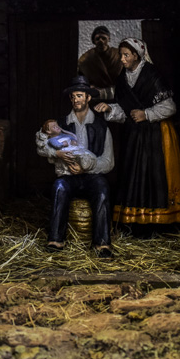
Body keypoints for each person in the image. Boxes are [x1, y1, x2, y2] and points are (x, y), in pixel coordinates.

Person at [94, 37, 180, 227]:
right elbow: (125, 112)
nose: (122, 59)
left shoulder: (152, 75)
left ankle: (160, 222)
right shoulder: (122, 79)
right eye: (121, 55)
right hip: (134, 137)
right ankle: (135, 223)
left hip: (157, 136)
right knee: (133, 175)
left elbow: (170, 107)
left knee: (156, 174)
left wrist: (146, 114)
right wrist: (109, 109)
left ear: (137, 56)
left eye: (126, 55)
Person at [36, 76, 114, 258]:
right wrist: (57, 154)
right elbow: (44, 145)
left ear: (88, 98)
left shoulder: (101, 127)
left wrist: (86, 169)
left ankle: (102, 243)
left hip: (91, 175)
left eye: (79, 96)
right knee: (59, 187)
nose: (75, 100)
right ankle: (56, 240)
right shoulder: (60, 125)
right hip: (69, 175)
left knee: (102, 188)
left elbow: (108, 161)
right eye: (72, 97)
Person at [77, 25, 121, 101]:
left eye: (104, 38)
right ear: (94, 41)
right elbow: (80, 77)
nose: (101, 41)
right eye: (98, 39)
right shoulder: (86, 58)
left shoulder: (118, 55)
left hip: (119, 94)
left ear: (108, 39)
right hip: (96, 96)